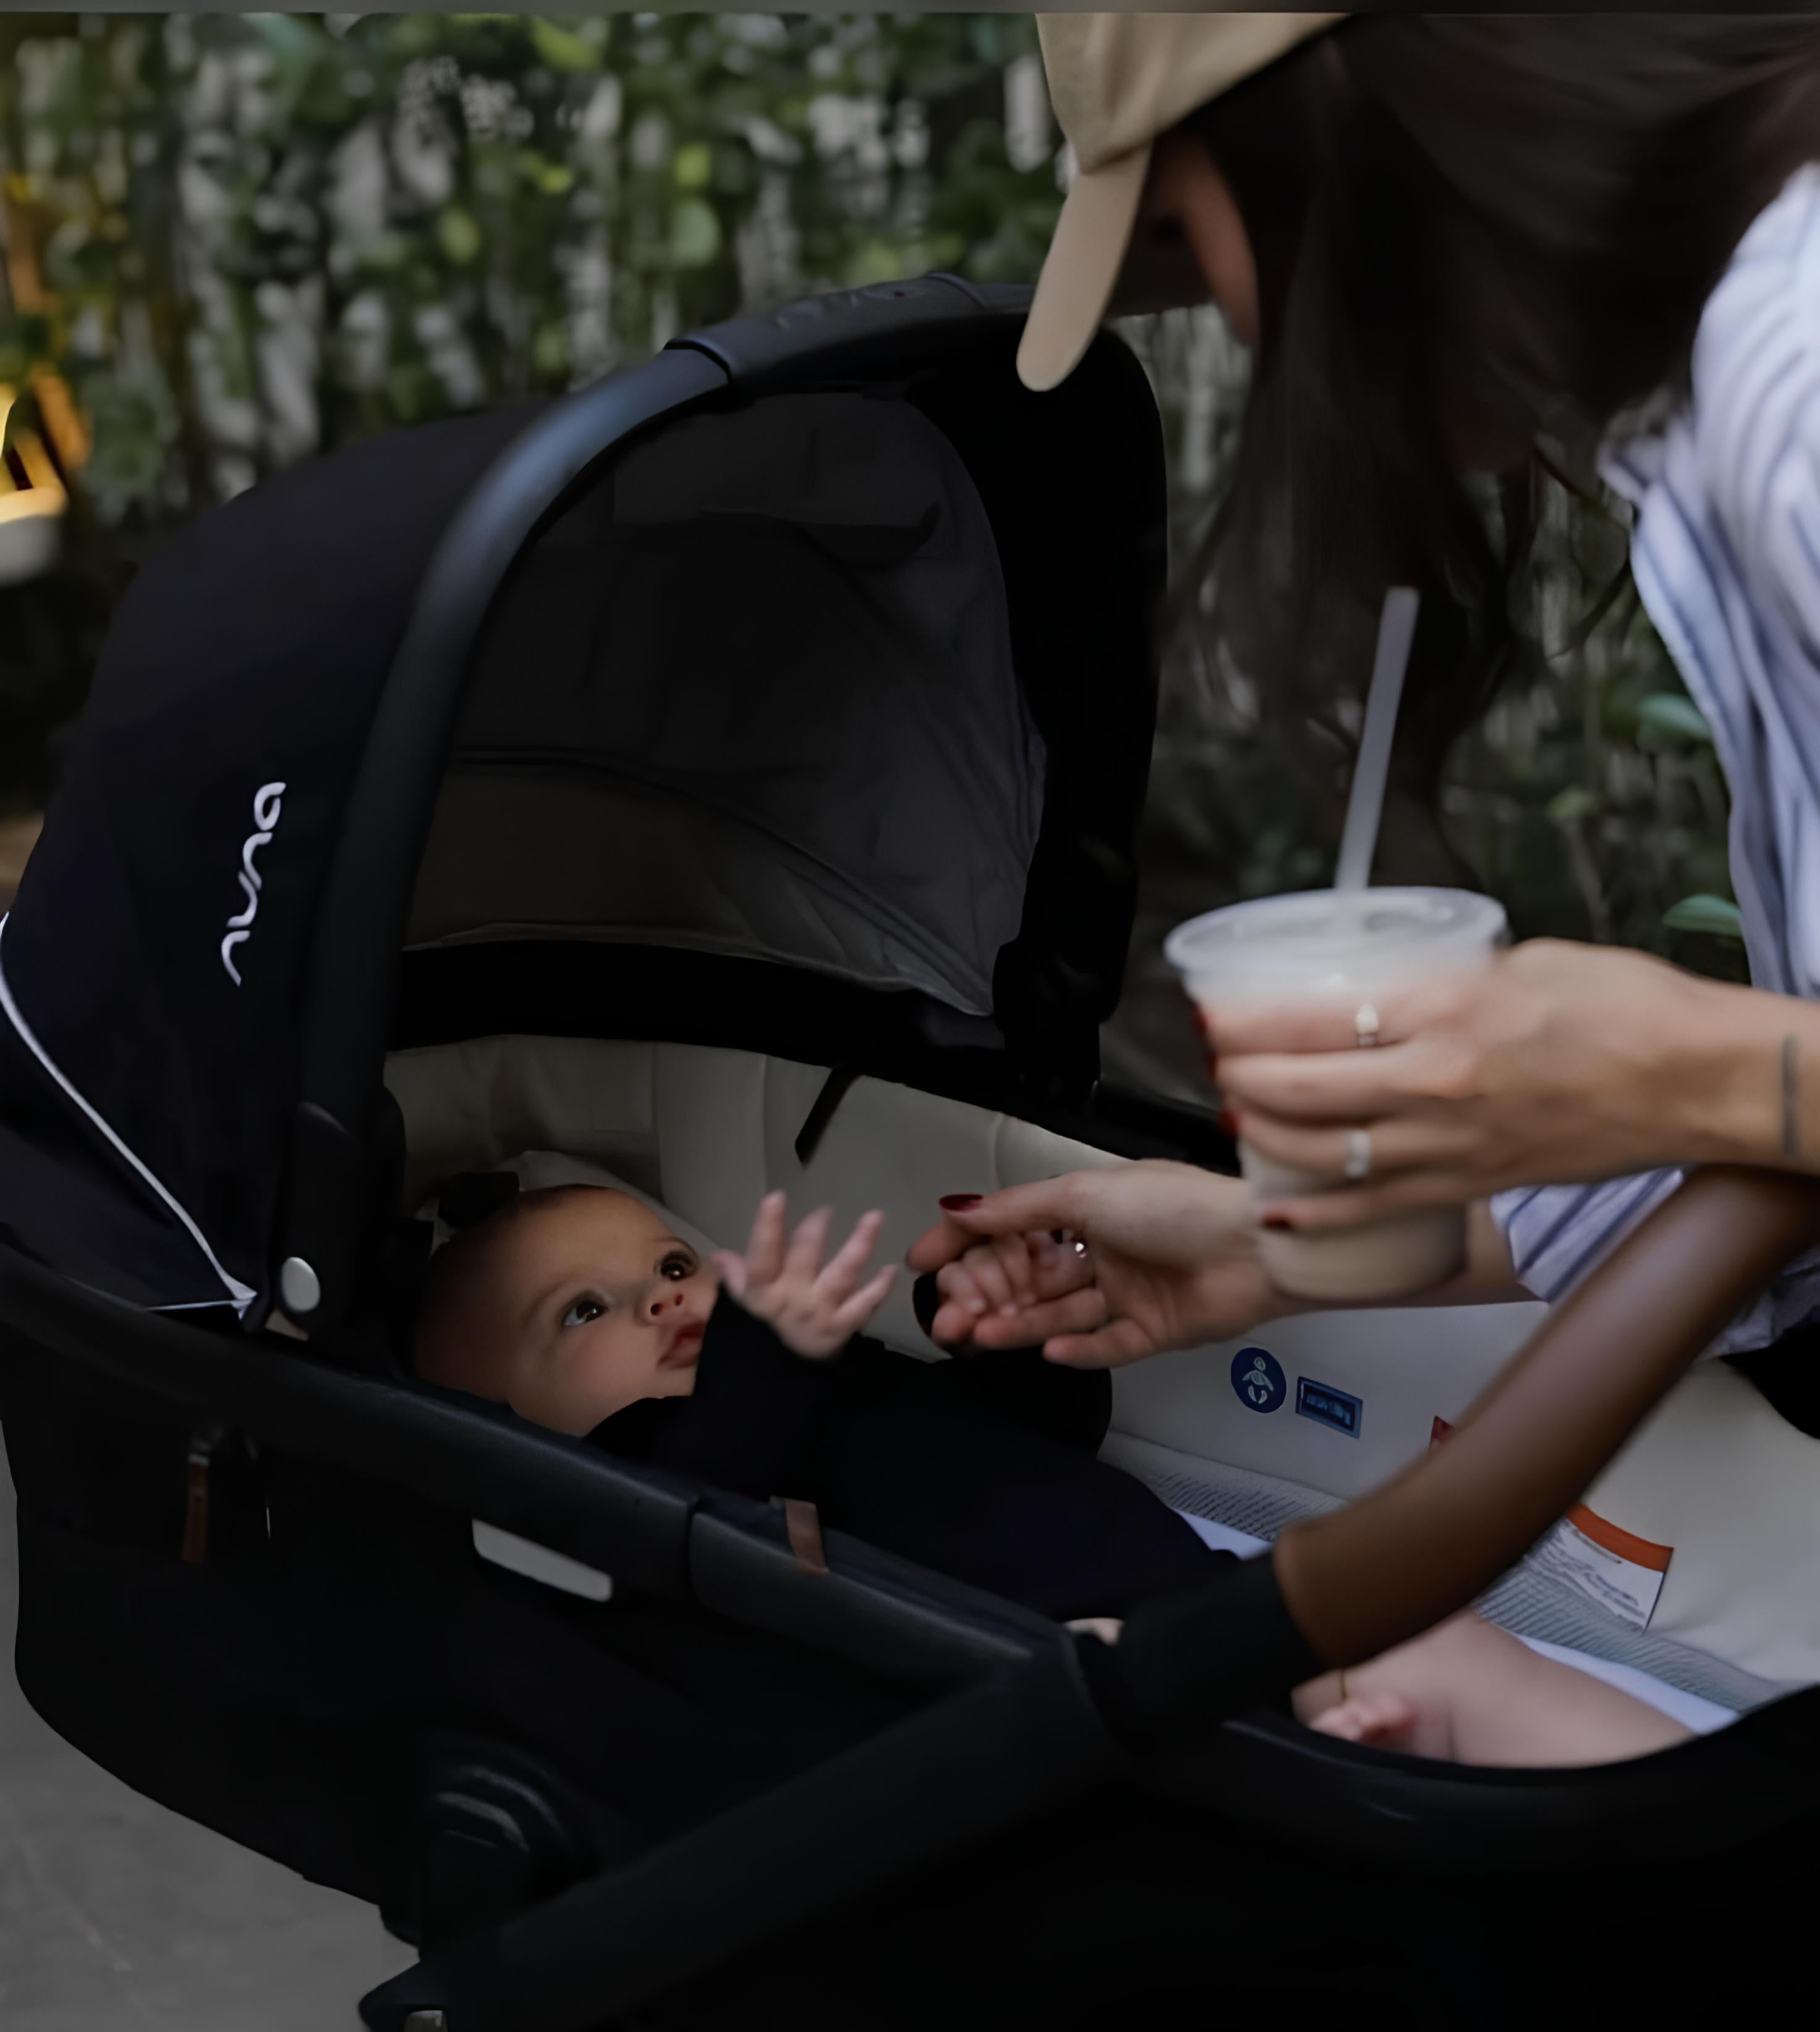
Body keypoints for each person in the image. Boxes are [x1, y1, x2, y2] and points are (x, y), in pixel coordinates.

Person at [912, 14, 1820, 1372]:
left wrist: (1686, 1059)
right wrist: (1274, 1245)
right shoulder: (1716, 394)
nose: (1227, 312)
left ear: (1322, 133)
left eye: (1177, 226)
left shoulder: (1791, 375)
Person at [413, 1181, 1691, 1764]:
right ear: (505, 1425)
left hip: (1211, 1609)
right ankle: (1320, 1762)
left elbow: (1032, 1441)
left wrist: (1009, 1335)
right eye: (584, 1315)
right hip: (1056, 1694)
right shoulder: (644, 1479)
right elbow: (709, 1512)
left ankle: (1675, 1803)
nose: (658, 1302)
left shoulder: (830, 1378)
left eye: (672, 1267)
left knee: (1440, 1641)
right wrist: (761, 1347)